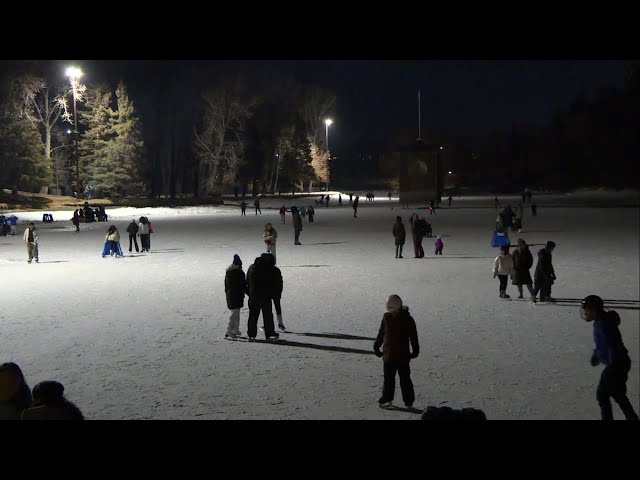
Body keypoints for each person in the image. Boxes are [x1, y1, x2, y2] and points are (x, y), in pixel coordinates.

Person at [581, 295, 638, 421]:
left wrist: (613, 365)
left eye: (586, 309)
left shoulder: (603, 324)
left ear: (594, 309)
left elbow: (611, 343)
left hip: (616, 364)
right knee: (618, 394)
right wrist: (597, 355)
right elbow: (603, 344)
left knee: (603, 395)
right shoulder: (601, 321)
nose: (585, 312)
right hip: (619, 363)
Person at [373, 295, 419, 409]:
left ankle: (409, 402)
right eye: (389, 308)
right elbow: (381, 333)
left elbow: (413, 336)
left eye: (392, 308)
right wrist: (376, 346)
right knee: (388, 380)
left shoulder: (408, 319)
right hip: (388, 355)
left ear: (398, 307)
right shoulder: (386, 318)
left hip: (402, 356)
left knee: (405, 380)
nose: (390, 311)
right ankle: (387, 398)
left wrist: (415, 349)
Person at [246, 256, 278, 341]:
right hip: (265, 297)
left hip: (253, 297)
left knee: (253, 316)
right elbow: (269, 283)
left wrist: (249, 293)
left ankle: (251, 334)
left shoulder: (251, 268)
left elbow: (247, 282)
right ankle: (269, 333)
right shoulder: (266, 270)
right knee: (268, 316)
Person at [224, 254, 246, 339]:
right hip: (237, 296)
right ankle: (229, 330)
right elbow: (242, 285)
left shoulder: (228, 273)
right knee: (234, 314)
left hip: (230, 295)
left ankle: (236, 329)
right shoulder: (239, 273)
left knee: (236, 313)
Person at [262, 253, 285, 330]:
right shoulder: (276, 270)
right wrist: (279, 291)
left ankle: (267, 324)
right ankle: (280, 322)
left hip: (267, 292)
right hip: (275, 291)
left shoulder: (265, 271)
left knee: (267, 309)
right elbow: (280, 281)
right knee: (277, 307)